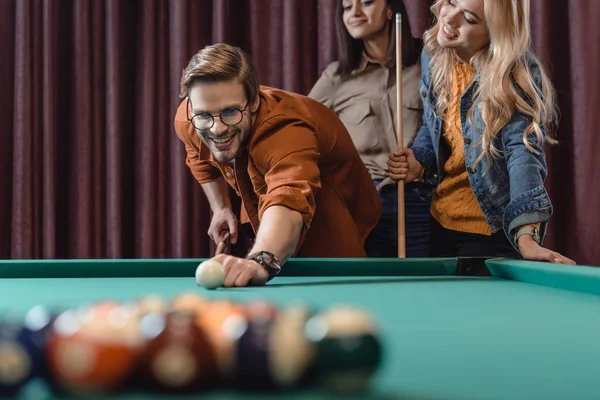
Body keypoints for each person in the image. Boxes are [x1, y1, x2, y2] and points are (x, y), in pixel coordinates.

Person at [173, 43, 382, 287]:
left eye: (230, 112)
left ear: (253, 102)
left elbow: (288, 197)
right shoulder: (190, 118)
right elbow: (200, 160)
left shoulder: (285, 129)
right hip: (272, 212)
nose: (217, 128)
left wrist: (261, 261)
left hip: (331, 207)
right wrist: (221, 207)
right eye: (205, 115)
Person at [388, 0, 576, 264]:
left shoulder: (513, 71)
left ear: (495, 33)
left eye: (468, 18)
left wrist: (526, 237)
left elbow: (522, 151)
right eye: (451, 2)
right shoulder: (434, 55)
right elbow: (437, 126)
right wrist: (418, 161)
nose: (450, 19)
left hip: (490, 231)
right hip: (440, 220)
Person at [308, 0, 434, 258]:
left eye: (366, 2)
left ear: (390, 10)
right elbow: (300, 130)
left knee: (424, 289)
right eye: (346, 6)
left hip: (426, 203)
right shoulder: (336, 77)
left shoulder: (429, 62)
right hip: (365, 207)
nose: (354, 12)